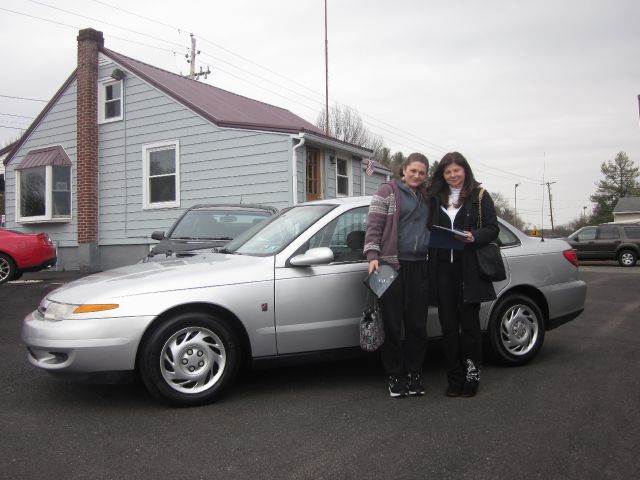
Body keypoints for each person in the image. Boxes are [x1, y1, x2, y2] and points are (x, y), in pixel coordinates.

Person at [427, 152, 499, 397]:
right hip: (442, 270)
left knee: (469, 327)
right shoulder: (435, 198)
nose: (453, 176)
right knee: (448, 327)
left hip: (468, 269)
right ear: (442, 175)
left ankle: (472, 376)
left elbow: (492, 229)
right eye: (447, 172)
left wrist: (474, 237)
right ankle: (454, 377)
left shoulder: (480, 196)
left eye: (456, 171)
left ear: (465, 171)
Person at [364, 152, 431, 398]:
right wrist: (372, 256)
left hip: (420, 266)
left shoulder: (427, 196)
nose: (417, 175)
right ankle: (395, 375)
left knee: (417, 325)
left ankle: (414, 374)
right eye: (413, 170)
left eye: (422, 172)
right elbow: (373, 226)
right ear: (403, 170)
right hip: (389, 266)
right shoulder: (387, 191)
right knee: (392, 324)